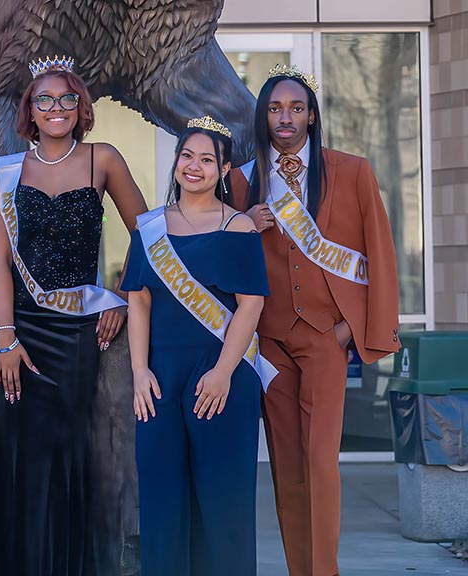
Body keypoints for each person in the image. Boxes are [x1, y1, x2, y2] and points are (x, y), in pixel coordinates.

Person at [229, 65, 400, 576]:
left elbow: (380, 255)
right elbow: (221, 256)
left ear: (311, 116)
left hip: (326, 336)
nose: (285, 117)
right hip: (271, 343)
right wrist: (243, 223)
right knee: (287, 468)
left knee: (321, 462)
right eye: (275, 108)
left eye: (296, 108)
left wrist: (356, 329)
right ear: (263, 115)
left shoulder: (351, 171)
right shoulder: (242, 179)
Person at [0, 55, 148, 576]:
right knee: (22, 453)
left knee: (64, 447)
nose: (57, 109)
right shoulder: (8, 171)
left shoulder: (104, 158)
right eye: (45, 101)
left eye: (67, 99)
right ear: (29, 112)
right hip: (24, 328)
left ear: (81, 108)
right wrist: (6, 341)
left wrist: (122, 296)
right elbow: (0, 263)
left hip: (77, 326)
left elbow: (147, 234)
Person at [125, 117, 274, 575]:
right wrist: (139, 373)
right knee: (162, 498)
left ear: (223, 169)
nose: (194, 166)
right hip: (160, 378)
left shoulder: (239, 228)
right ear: (176, 165)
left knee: (222, 502)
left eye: (207, 159)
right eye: (187, 156)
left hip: (222, 377)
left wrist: (224, 372)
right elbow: (138, 301)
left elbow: (250, 307)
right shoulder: (150, 228)